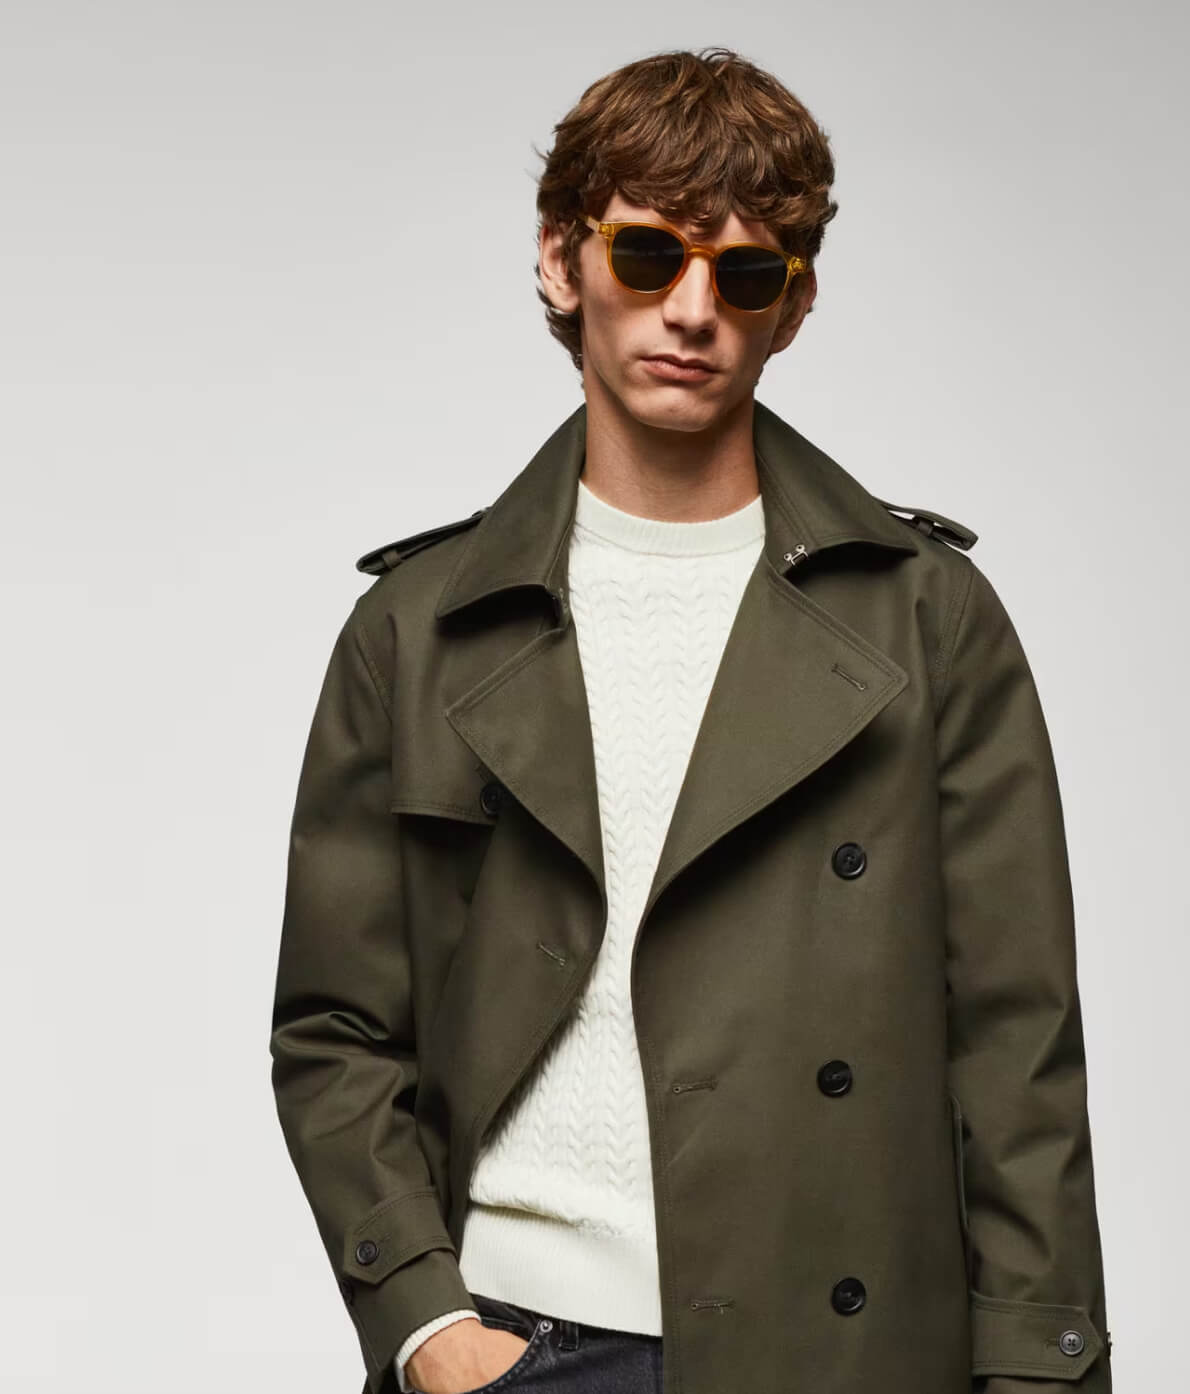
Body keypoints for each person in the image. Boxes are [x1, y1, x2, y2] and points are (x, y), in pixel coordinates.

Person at [270, 45, 1114, 1394]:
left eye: (748, 273)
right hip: (522, 1346)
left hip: (841, 1354)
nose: (694, 310)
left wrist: (1039, 1370)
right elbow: (337, 1031)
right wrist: (428, 1328)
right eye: (651, 254)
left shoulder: (926, 617)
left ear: (796, 305)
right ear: (563, 262)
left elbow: (1018, 1051)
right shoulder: (419, 629)